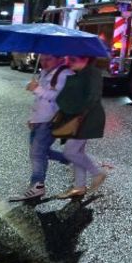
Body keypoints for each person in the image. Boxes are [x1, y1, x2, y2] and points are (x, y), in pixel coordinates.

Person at [9, 54, 73, 202]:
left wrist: (37, 88)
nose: (44, 62)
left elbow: (58, 97)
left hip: (50, 120)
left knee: (37, 153)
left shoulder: (64, 73)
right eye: (42, 59)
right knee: (42, 152)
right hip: (39, 119)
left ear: (59, 58)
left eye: (49, 58)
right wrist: (33, 118)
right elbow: (40, 100)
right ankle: (72, 159)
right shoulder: (45, 72)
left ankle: (37, 185)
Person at [55, 55, 108, 199]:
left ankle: (97, 173)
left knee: (70, 152)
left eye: (72, 59)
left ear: (84, 58)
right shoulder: (78, 73)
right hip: (79, 118)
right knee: (78, 152)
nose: (68, 62)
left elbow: (93, 97)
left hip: (86, 119)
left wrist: (76, 111)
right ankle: (79, 186)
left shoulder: (93, 73)